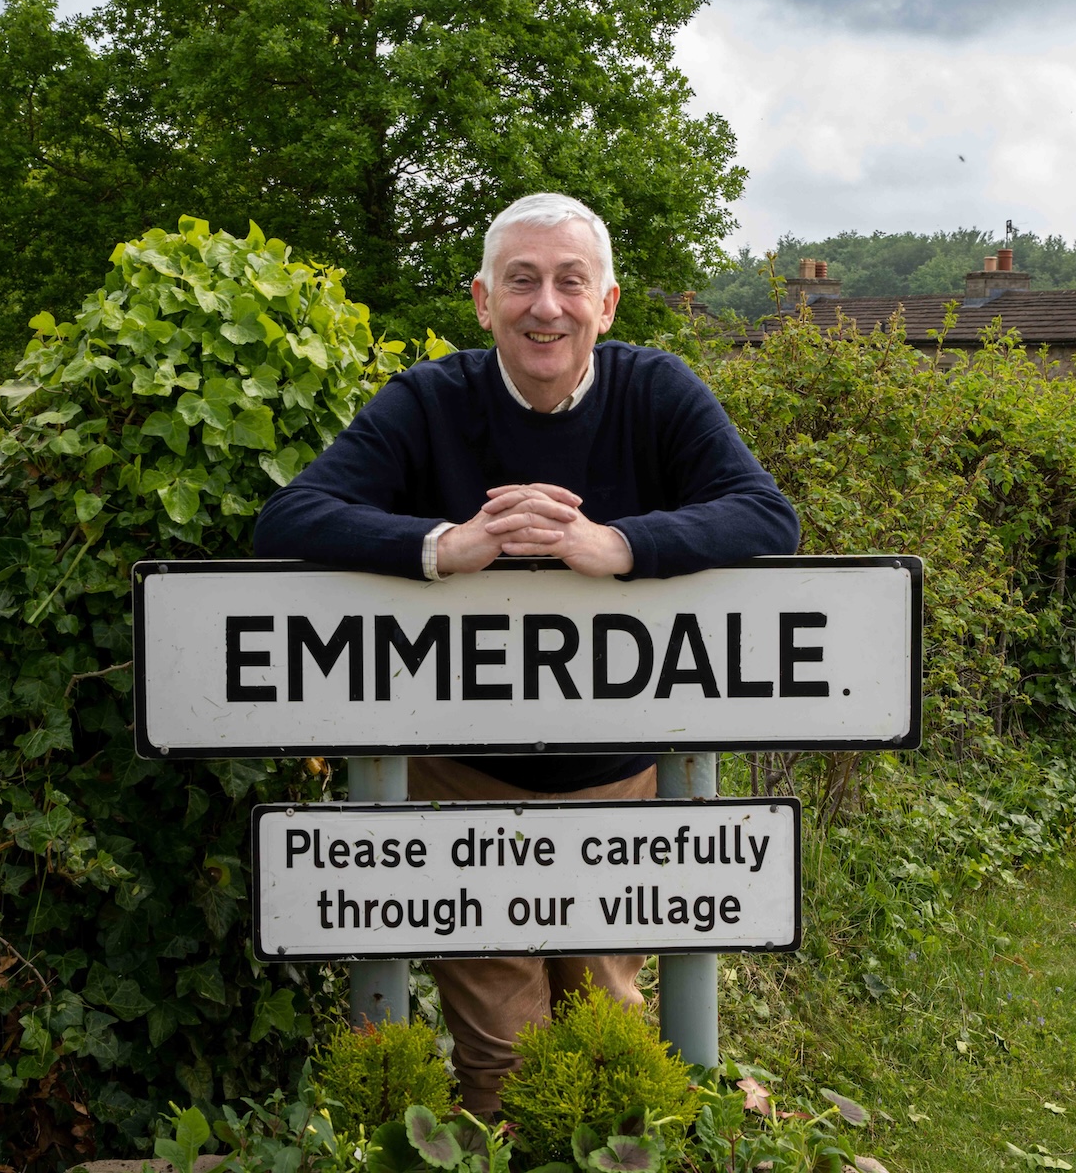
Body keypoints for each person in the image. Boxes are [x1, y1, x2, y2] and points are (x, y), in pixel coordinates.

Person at [253, 192, 800, 1113]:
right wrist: (445, 546)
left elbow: (766, 516)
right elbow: (289, 518)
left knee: (610, 1048)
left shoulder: (657, 390)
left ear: (606, 304)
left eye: (570, 282)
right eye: (521, 281)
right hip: (465, 789)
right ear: (482, 301)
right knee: (503, 1067)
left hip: (618, 788)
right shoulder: (429, 399)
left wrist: (618, 546)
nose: (547, 306)